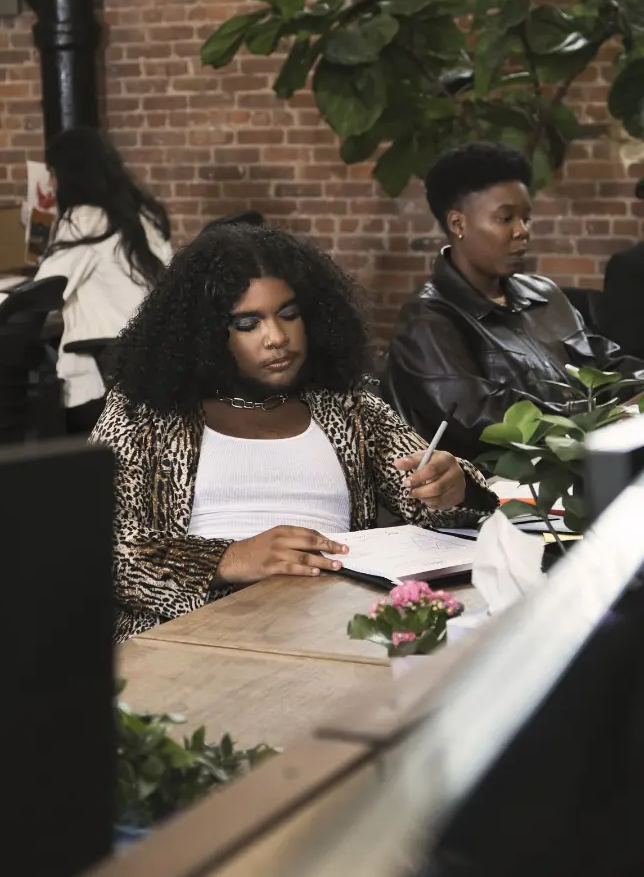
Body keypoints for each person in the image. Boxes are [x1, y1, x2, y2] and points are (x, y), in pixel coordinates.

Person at [91, 224, 497, 643]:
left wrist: (455, 488)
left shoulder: (347, 407)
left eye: (288, 314)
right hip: (188, 642)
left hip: (333, 630)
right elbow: (91, 547)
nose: (277, 338)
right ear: (207, 334)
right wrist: (227, 558)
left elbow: (434, 504)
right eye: (248, 323)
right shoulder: (145, 413)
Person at [384, 142, 644, 461]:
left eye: (526, 218)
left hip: (585, 468)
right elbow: (487, 421)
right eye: (505, 219)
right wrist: (608, 416)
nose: (522, 232)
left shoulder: (543, 293)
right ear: (458, 224)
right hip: (501, 493)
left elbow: (606, 365)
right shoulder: (428, 321)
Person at [0, 127, 173, 433]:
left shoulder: (86, 221)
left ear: (71, 176)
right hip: (156, 387)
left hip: (102, 392)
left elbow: (33, 299)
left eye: (53, 174)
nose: (51, 186)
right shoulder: (143, 219)